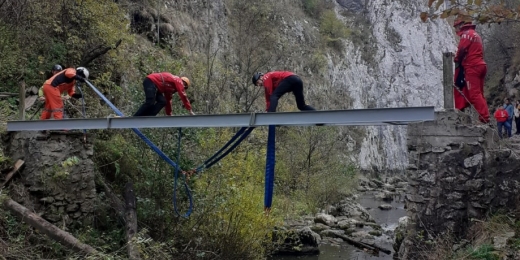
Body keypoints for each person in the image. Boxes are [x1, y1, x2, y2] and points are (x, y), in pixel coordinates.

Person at [452, 17, 489, 123]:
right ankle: (485, 116)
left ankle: (484, 118)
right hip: (481, 65)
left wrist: (457, 59)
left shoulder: (466, 35)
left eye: (456, 27)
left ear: (461, 25)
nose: (455, 30)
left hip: (472, 67)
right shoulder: (475, 34)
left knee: (474, 94)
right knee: (480, 94)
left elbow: (462, 49)